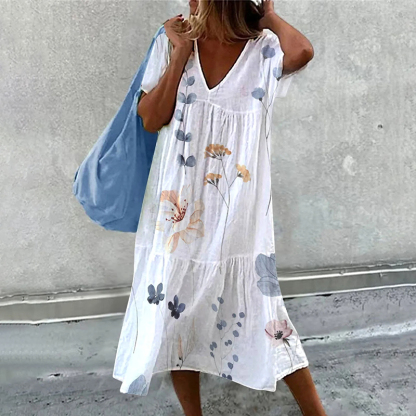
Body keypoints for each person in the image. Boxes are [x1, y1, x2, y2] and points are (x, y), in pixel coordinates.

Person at [113, 1, 326, 415]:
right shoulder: (173, 41)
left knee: (268, 318)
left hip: (239, 221)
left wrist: (268, 16)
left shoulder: (263, 50)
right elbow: (151, 119)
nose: (189, 3)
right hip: (178, 214)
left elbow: (302, 51)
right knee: (175, 321)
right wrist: (180, 54)